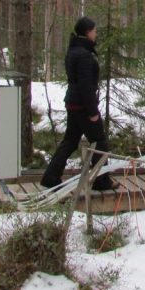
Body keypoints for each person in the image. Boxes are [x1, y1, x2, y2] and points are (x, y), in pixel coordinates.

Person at [41, 17, 115, 191]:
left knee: (71, 140)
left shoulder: (75, 50)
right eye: (95, 31)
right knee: (99, 141)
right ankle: (101, 180)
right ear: (88, 32)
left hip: (73, 102)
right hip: (82, 105)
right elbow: (85, 86)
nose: (96, 34)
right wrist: (92, 111)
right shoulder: (83, 55)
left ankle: (50, 177)